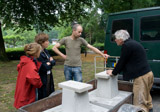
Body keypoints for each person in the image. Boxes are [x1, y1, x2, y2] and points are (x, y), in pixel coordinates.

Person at [106, 30, 153, 112]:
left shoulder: (127, 46)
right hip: (148, 74)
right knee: (147, 100)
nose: (115, 40)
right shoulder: (133, 43)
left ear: (121, 39)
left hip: (141, 77)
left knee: (139, 104)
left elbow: (122, 62)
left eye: (116, 38)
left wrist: (113, 73)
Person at [14, 43, 43, 109]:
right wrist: (39, 82)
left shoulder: (25, 61)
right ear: (36, 52)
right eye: (39, 51)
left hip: (22, 89)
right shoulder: (30, 64)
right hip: (26, 93)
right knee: (27, 108)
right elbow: (35, 80)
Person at [35, 33, 56, 100]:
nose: (48, 42)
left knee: (50, 91)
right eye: (46, 41)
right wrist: (50, 62)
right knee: (44, 94)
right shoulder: (38, 53)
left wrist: (50, 63)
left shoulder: (45, 51)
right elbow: (44, 67)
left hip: (49, 76)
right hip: (42, 77)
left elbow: (53, 62)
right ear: (42, 42)